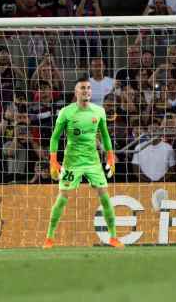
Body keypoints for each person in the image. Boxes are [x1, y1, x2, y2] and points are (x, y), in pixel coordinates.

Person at [43, 76, 122, 249]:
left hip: (93, 161)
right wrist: (53, 161)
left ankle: (113, 237)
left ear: (91, 91)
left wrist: (110, 156)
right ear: (76, 92)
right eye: (82, 88)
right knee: (62, 197)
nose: (85, 90)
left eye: (88, 88)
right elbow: (55, 137)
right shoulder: (66, 112)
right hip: (72, 162)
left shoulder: (99, 111)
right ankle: (49, 238)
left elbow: (106, 136)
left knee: (105, 196)